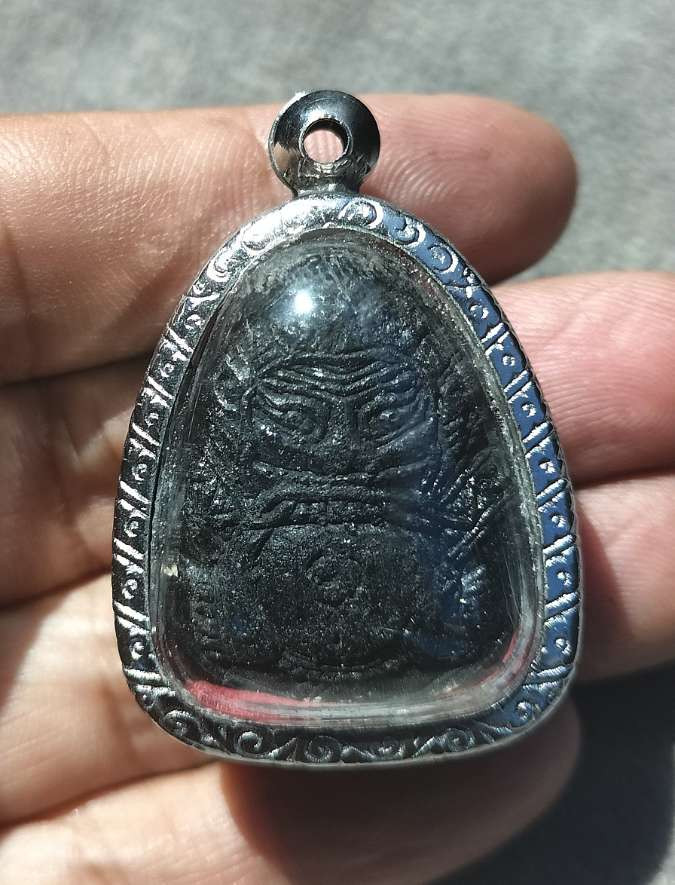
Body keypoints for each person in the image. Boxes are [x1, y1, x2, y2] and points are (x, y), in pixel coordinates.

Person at [0, 93, 673, 883]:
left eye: (380, 414)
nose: (342, 448)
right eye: (297, 414)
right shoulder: (233, 515)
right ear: (244, 414)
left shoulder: (445, 504)